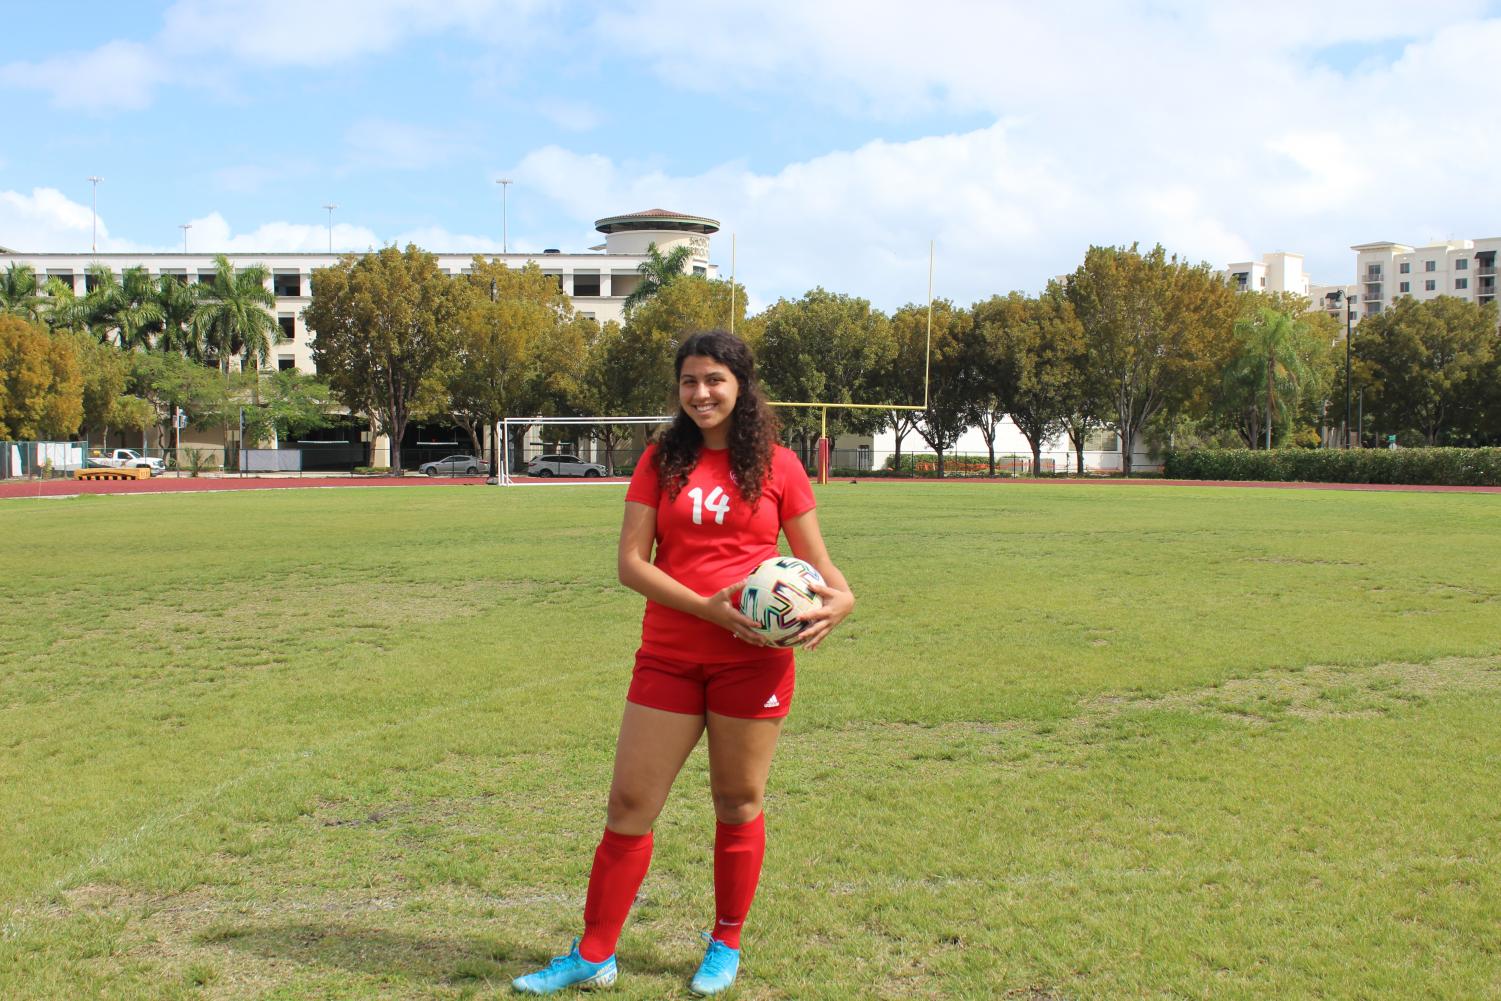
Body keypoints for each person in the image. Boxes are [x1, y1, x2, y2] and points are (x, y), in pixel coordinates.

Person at [512, 330, 855, 996]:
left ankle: (724, 943)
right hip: (669, 655)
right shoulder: (660, 459)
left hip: (750, 663)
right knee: (630, 803)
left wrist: (844, 597)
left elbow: (818, 561)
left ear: (740, 385)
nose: (700, 393)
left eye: (714, 380)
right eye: (689, 381)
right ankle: (593, 952)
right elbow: (630, 564)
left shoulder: (779, 465)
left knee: (736, 799)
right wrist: (707, 607)